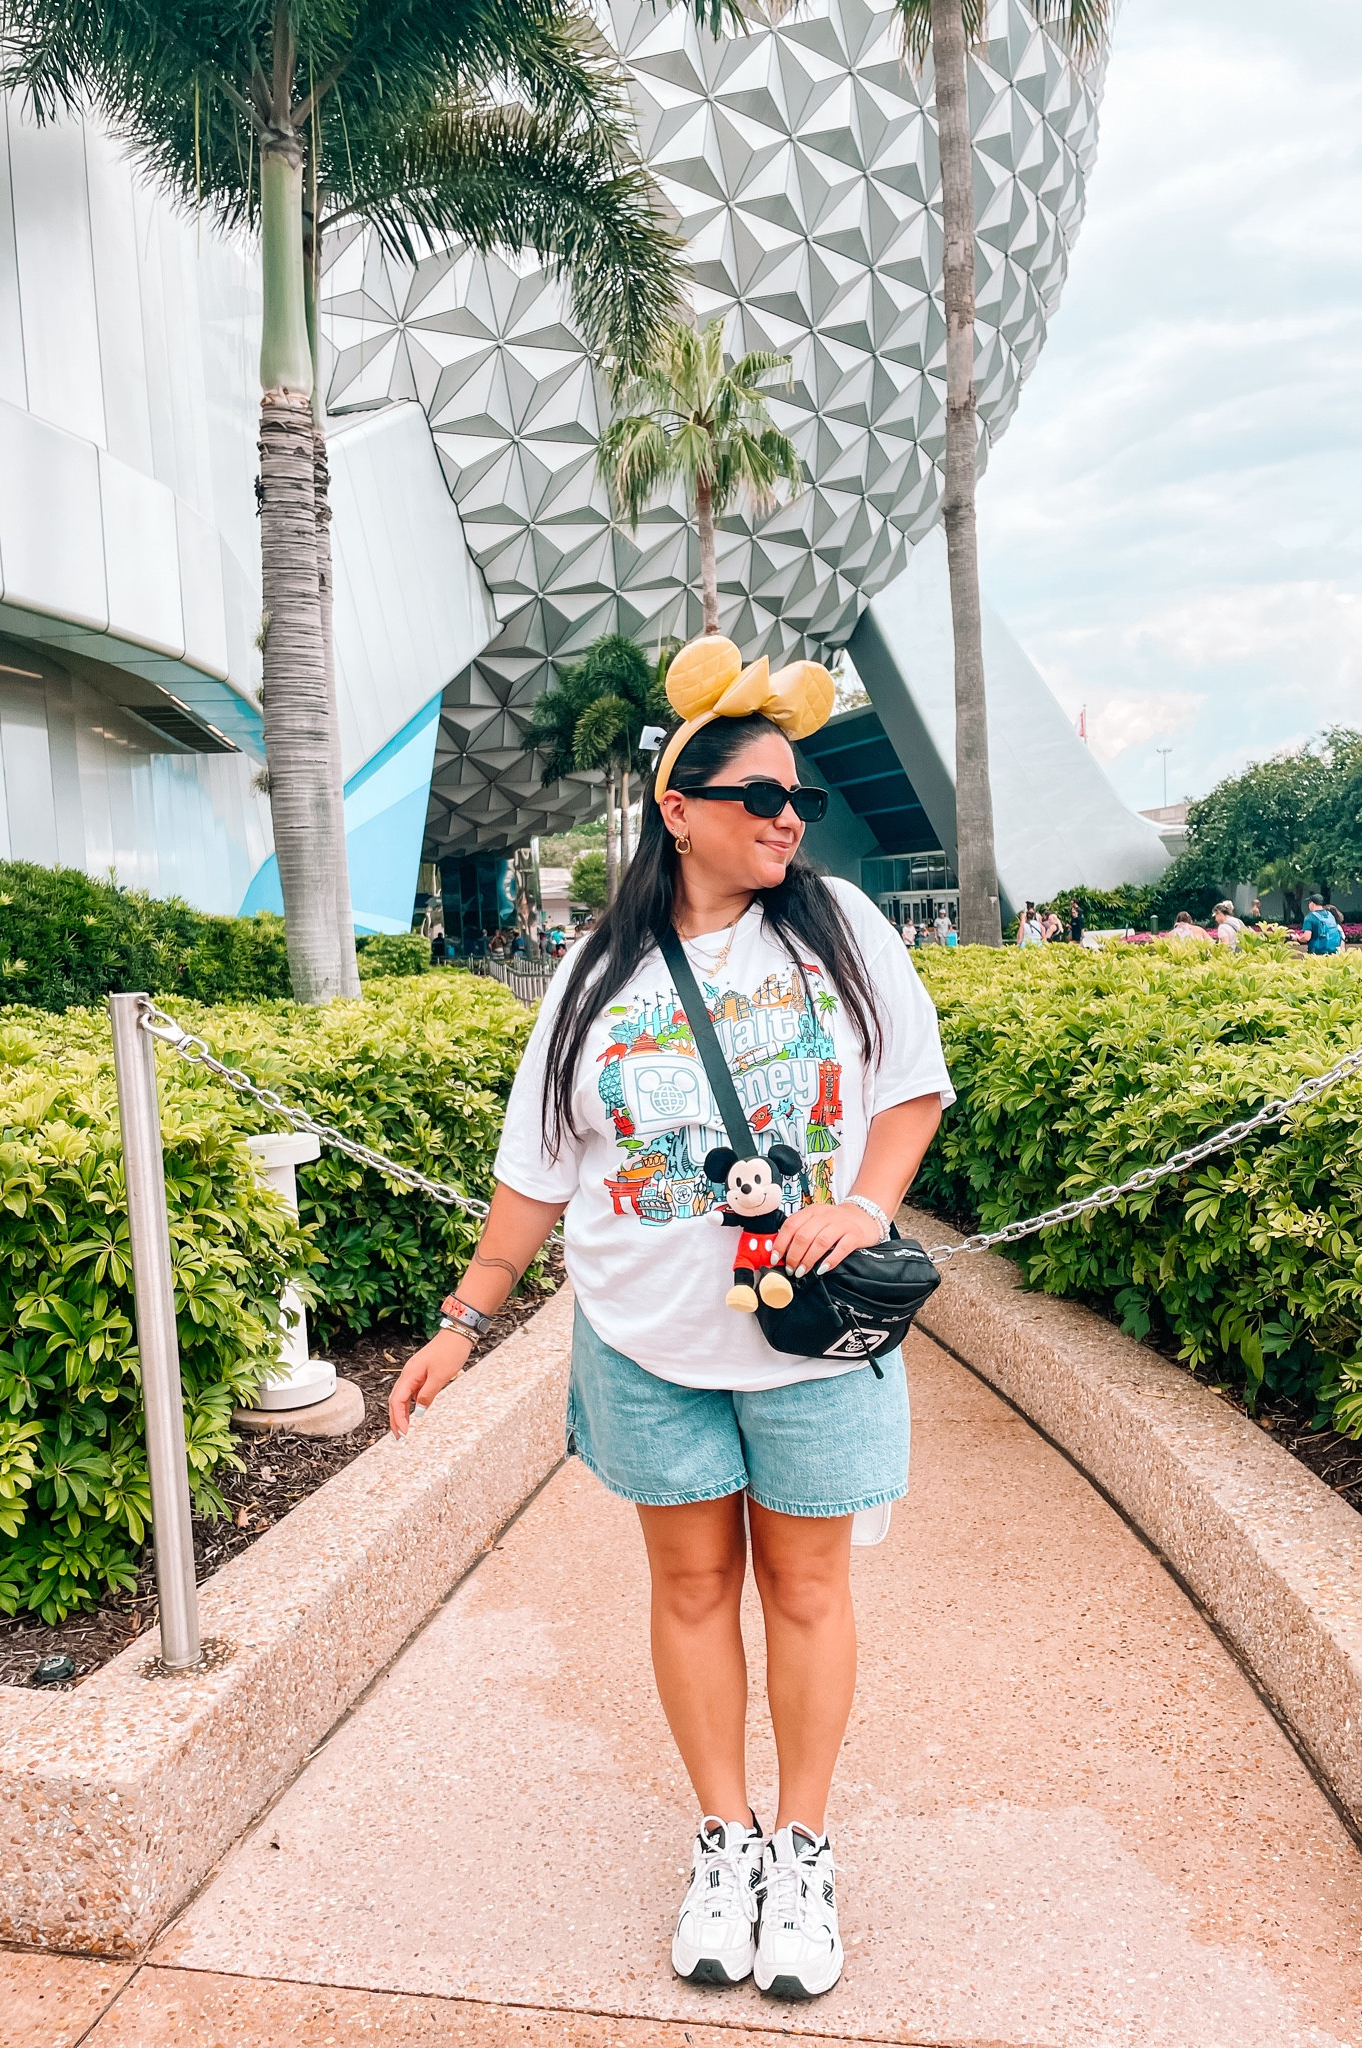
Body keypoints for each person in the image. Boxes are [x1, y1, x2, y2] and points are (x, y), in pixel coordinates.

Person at [390, 654, 952, 2004]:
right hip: (645, 1339)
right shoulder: (596, 968)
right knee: (691, 1586)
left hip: (809, 1338)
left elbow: (911, 1089)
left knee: (808, 1588)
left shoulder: (840, 932)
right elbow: (540, 1163)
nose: (789, 818)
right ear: (679, 806)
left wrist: (867, 1212)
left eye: (799, 796)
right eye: (759, 794)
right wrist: (466, 1319)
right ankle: (726, 1839)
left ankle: (803, 1849)